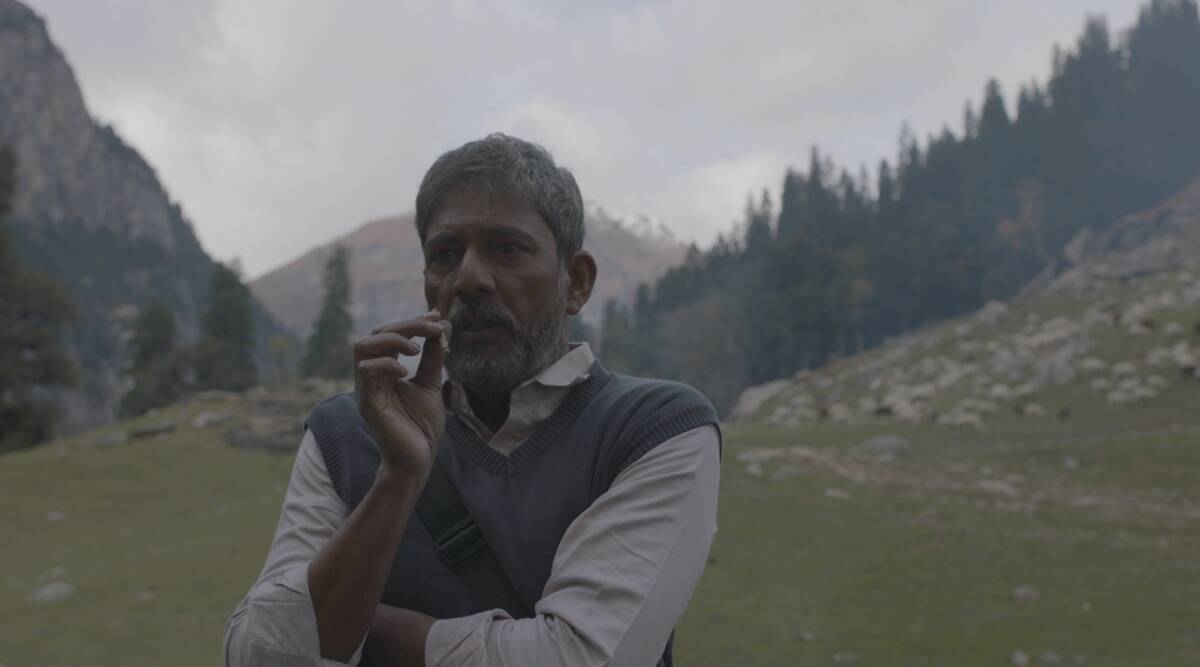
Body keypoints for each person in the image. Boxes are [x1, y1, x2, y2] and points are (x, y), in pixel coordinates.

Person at [223, 133, 721, 666]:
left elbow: (583, 658)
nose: (469, 279)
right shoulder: (345, 433)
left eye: (506, 248)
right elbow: (258, 657)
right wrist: (398, 478)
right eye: (444, 255)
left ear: (575, 282)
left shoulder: (655, 429)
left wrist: (361, 633)